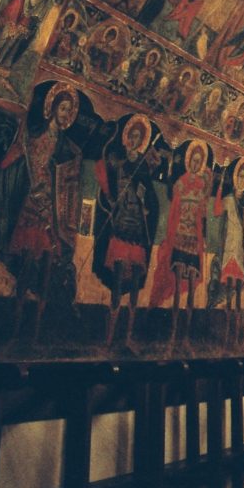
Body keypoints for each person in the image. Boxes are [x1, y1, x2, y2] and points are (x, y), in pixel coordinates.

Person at [0, 83, 81, 341]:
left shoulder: (69, 149)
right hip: (29, 210)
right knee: (26, 267)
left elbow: (68, 185)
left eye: (69, 111)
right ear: (51, 108)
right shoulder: (33, 138)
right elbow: (11, 161)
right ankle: (17, 326)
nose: (65, 115)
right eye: (62, 109)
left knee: (46, 270)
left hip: (50, 215)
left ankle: (36, 331)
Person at [94, 115, 160, 347]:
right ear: (126, 138)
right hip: (121, 223)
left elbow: (149, 198)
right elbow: (105, 166)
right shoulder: (119, 162)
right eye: (131, 136)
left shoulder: (142, 167)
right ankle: (110, 335)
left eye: (137, 138)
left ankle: (129, 335)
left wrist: (144, 198)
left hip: (137, 227)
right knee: (117, 280)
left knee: (134, 284)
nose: (133, 140)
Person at [150, 140, 211, 347]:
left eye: (198, 161)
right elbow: (172, 205)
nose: (195, 164)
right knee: (177, 285)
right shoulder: (180, 183)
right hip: (179, 238)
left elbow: (203, 213)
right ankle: (174, 332)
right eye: (193, 161)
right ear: (188, 162)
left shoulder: (203, 187)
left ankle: (186, 335)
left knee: (192, 287)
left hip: (194, 242)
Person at [213, 158, 244, 345]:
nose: (242, 179)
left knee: (238, 293)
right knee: (228, 288)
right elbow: (216, 212)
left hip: (241, 250)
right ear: (235, 177)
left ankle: (235, 332)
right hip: (229, 248)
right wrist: (220, 188)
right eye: (240, 175)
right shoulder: (228, 200)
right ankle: (224, 331)